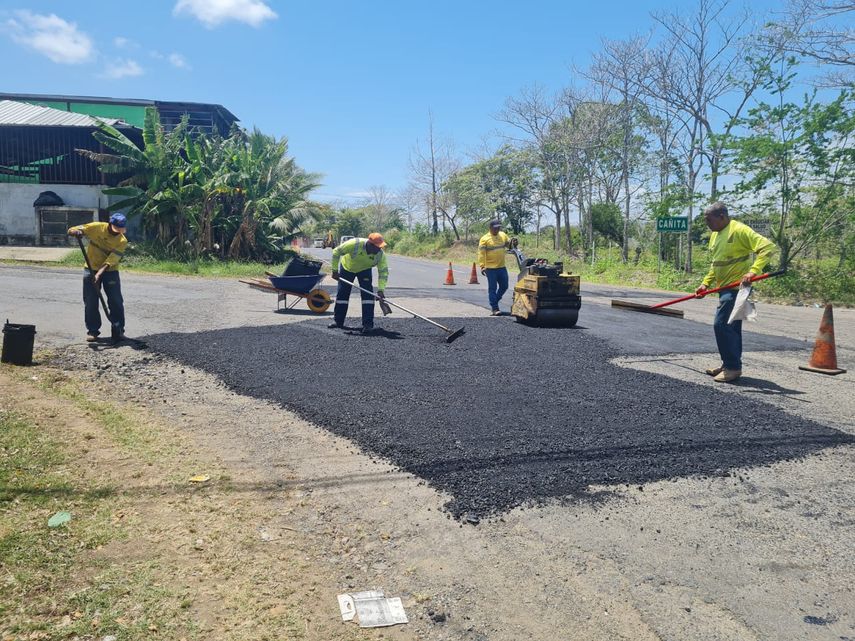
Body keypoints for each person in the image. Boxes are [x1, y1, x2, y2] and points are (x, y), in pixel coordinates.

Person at [695, 202, 775, 383]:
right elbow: (716, 264)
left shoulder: (738, 229)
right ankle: (729, 364)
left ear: (722, 216)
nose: (707, 224)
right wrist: (705, 284)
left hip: (736, 289)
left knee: (721, 325)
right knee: (731, 328)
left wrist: (752, 271)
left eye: (709, 220)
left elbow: (767, 247)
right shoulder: (715, 235)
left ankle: (732, 367)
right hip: (723, 288)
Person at [67, 213, 129, 342]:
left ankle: (118, 330)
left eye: (121, 230)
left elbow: (112, 259)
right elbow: (72, 229)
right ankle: (93, 331)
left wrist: (99, 273)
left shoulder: (122, 241)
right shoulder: (96, 227)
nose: (118, 232)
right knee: (90, 301)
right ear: (110, 224)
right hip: (90, 268)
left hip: (110, 271)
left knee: (116, 301)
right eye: (116, 229)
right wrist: (76, 232)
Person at [329, 233, 389, 333]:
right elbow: (336, 251)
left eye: (380, 247)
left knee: (368, 297)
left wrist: (381, 290)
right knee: (342, 294)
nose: (379, 250)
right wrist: (334, 271)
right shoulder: (355, 244)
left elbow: (383, 272)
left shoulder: (380, 255)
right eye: (377, 247)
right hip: (347, 268)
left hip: (364, 270)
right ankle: (338, 321)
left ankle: (368, 325)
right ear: (370, 244)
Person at [478, 218, 511, 315]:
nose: (497, 230)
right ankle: (495, 308)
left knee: (504, 286)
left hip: (501, 267)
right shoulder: (485, 239)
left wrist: (512, 243)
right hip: (490, 268)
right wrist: (482, 266)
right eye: (495, 228)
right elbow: (481, 254)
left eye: (499, 228)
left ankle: (494, 301)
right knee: (492, 288)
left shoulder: (503, 235)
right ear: (490, 228)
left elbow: (508, 244)